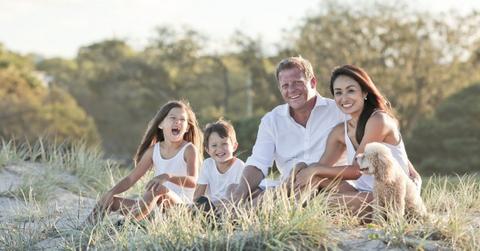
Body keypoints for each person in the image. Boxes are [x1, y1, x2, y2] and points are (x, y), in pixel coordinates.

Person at [293, 64, 422, 215]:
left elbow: (356, 171)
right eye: (338, 93)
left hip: (391, 197)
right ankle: (285, 210)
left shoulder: (378, 120)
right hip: (363, 192)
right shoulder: (340, 131)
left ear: (365, 92)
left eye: (351, 91)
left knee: (322, 204)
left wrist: (314, 169)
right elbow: (322, 168)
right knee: (310, 175)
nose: (344, 98)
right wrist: (305, 170)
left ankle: (296, 212)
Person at [231, 56, 345, 203]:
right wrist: (239, 194)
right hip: (288, 189)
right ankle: (221, 212)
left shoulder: (339, 112)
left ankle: (234, 212)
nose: (291, 90)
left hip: (329, 187)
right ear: (280, 88)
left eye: (298, 83)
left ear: (313, 82)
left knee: (264, 199)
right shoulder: (271, 120)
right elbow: (258, 163)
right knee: (236, 190)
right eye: (285, 85)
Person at [86, 100, 202, 224]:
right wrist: (111, 192)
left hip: (179, 208)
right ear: (160, 124)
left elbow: (193, 181)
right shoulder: (153, 151)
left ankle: (125, 225)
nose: (177, 122)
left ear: (187, 128)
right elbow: (130, 179)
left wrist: (167, 177)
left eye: (182, 119)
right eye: (172, 117)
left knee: (157, 189)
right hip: (153, 209)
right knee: (110, 199)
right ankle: (85, 229)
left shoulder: (189, 149)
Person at [193, 119, 245, 208]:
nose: (220, 149)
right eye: (214, 145)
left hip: (229, 207)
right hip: (209, 207)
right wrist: (196, 206)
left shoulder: (240, 167)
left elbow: (240, 198)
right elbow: (197, 195)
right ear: (207, 150)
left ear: (234, 146)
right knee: (188, 207)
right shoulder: (207, 164)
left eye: (224, 144)